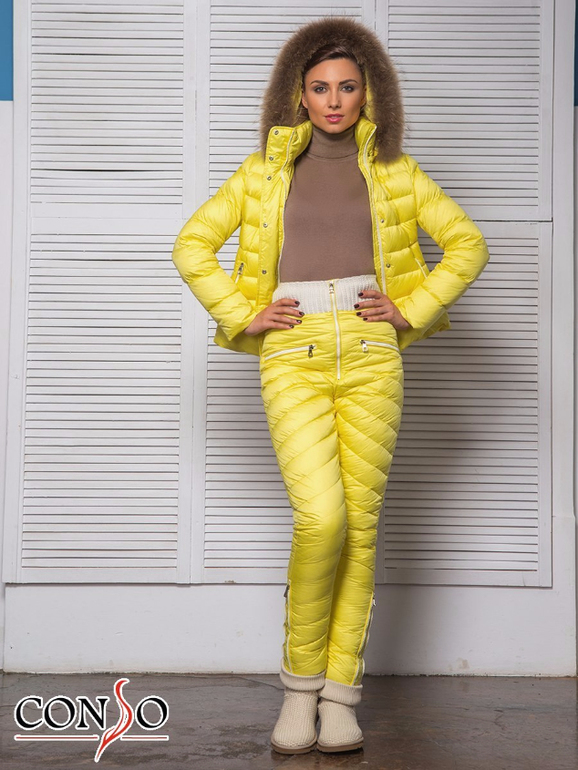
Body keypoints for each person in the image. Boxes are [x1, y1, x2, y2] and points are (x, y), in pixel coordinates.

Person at [172, 15, 490, 756]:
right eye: (320, 88)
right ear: (299, 94)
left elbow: (468, 243)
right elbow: (192, 245)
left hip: (375, 357)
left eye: (348, 86)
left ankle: (339, 699)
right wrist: (242, 313)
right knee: (322, 519)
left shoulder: (398, 173)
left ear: (369, 92)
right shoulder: (261, 173)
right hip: (293, 352)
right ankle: (298, 689)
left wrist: (409, 308)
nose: (335, 101)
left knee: (362, 528)